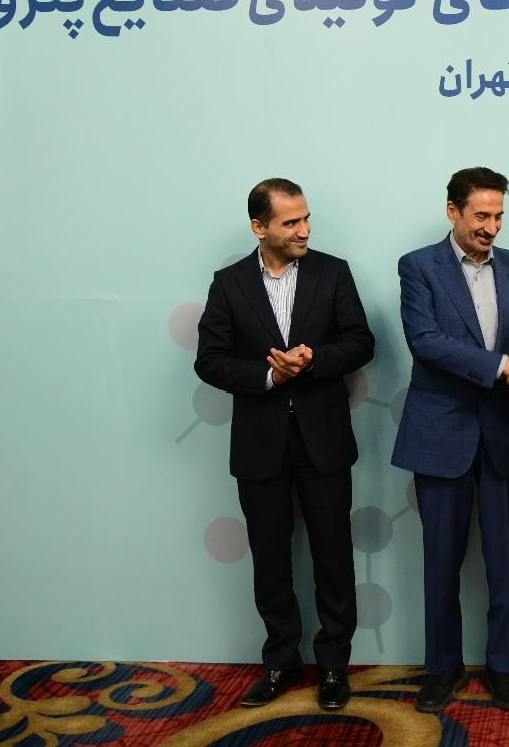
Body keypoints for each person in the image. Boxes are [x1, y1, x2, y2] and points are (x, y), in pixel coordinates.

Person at [392, 167, 509, 712]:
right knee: (440, 562)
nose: (491, 227)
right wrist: (504, 367)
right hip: (439, 433)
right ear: (453, 211)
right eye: (480, 216)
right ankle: (441, 668)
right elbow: (426, 342)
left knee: (505, 562)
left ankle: (503, 666)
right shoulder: (418, 266)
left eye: (498, 216)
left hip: (500, 433)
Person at [195, 178, 376, 711]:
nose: (304, 230)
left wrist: (315, 359)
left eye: (306, 218)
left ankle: (334, 666)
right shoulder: (228, 284)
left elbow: (361, 341)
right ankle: (280, 661)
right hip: (260, 445)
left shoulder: (332, 272)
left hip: (324, 441)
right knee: (270, 560)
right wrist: (269, 375)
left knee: (333, 557)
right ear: (260, 227)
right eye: (290, 222)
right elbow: (209, 360)